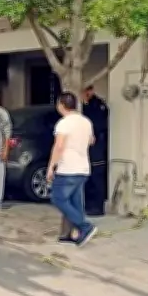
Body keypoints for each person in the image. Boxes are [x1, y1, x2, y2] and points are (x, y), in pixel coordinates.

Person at [47, 91, 98, 247]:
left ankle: (85, 226)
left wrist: (51, 166)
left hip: (67, 168)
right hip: (83, 167)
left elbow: (59, 146)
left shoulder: (64, 123)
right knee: (76, 202)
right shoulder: (86, 122)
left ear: (61, 105)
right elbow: (92, 140)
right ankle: (72, 234)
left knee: (58, 199)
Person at [82, 85, 109, 216]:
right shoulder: (83, 106)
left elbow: (99, 125)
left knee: (97, 177)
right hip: (87, 149)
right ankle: (88, 205)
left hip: (97, 147)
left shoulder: (98, 106)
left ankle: (98, 207)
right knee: (89, 179)